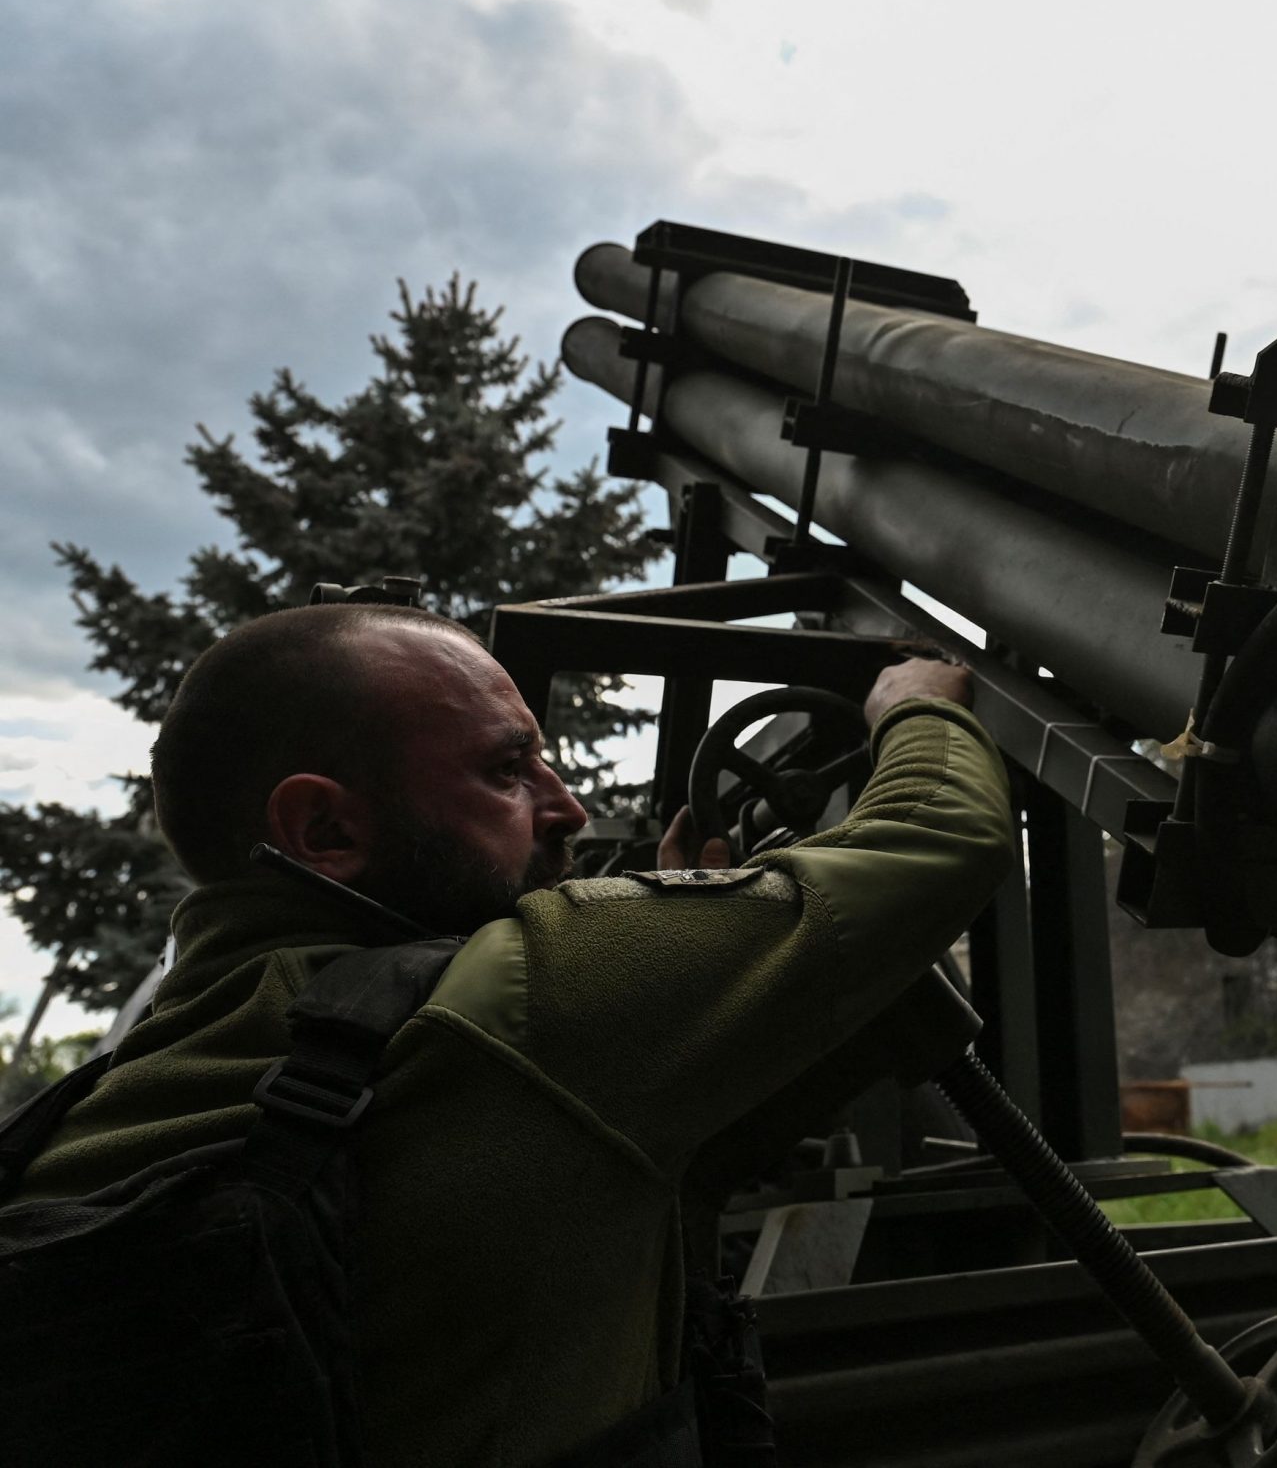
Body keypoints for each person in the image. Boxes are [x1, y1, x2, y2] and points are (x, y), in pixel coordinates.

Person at [5, 603, 1013, 1465]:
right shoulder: (527, 995)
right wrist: (918, 707)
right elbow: (934, 842)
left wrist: (695, 942)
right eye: (507, 768)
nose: (566, 804)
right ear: (325, 831)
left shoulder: (97, 1101)